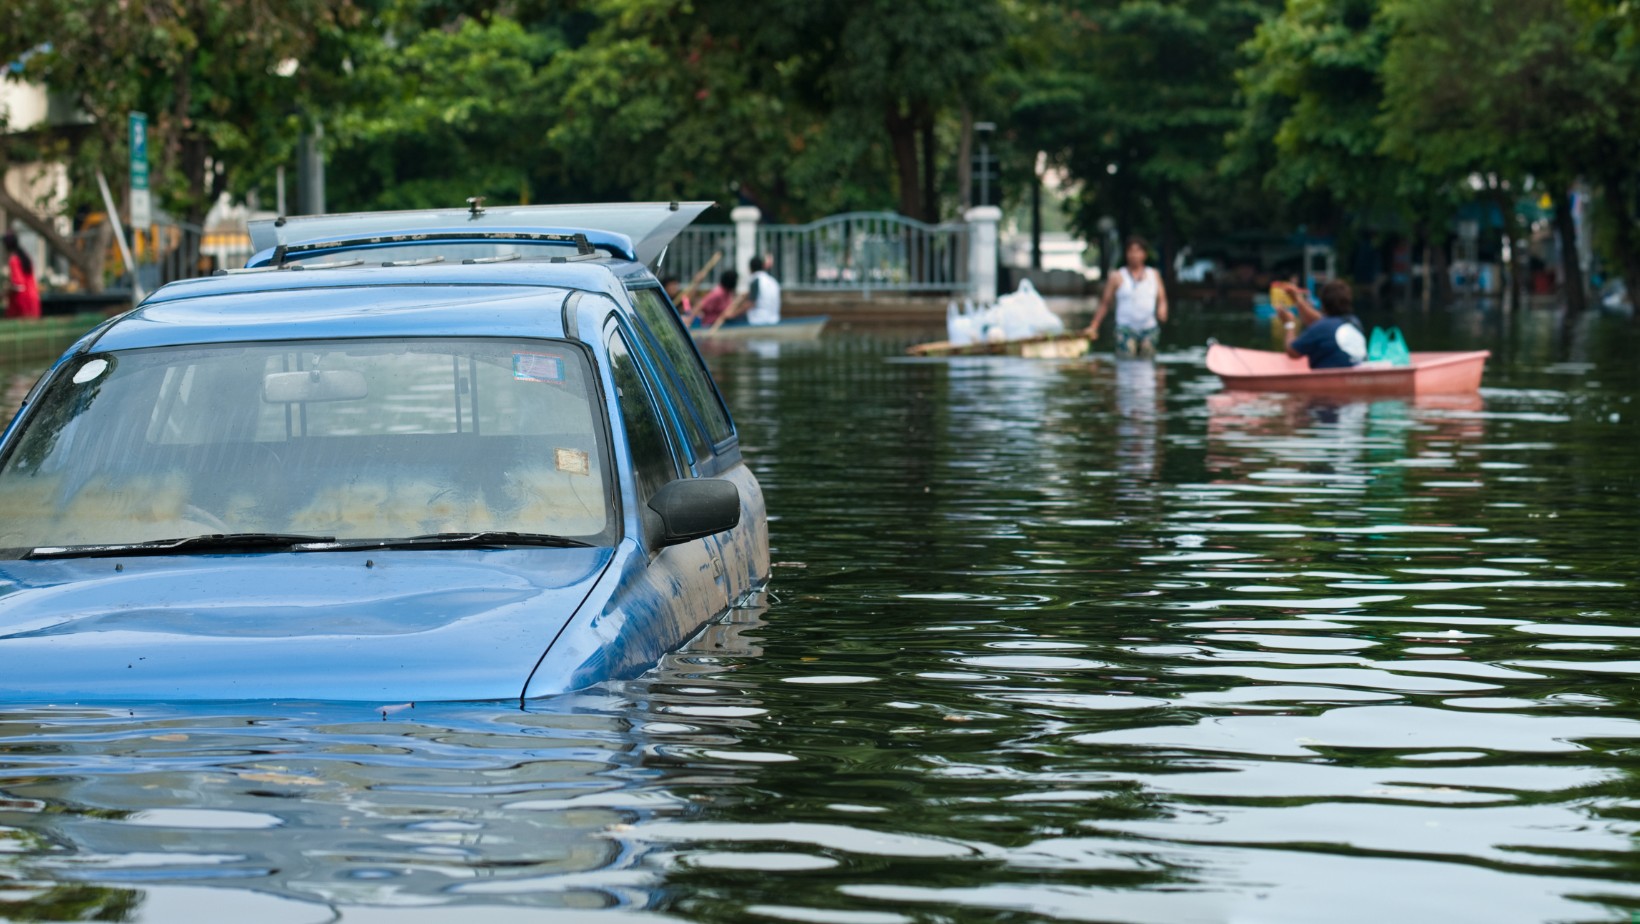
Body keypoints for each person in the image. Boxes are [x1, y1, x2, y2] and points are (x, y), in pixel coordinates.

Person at [1086, 236, 1167, 357]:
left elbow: (1162, 299)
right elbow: (1105, 303)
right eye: (1131, 251)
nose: (1134, 255)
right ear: (1126, 254)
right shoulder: (1117, 276)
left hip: (1149, 327)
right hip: (1125, 328)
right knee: (1126, 358)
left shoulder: (1153, 275)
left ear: (1145, 254)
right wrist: (1094, 326)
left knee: (1148, 358)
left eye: (1138, 251)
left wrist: (1162, 310)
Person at [1275, 278, 1366, 369]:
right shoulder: (1355, 322)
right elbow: (1322, 321)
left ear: (1323, 303)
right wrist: (1297, 299)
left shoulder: (1322, 327)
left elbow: (1292, 352)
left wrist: (1289, 324)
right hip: (1357, 373)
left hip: (1331, 376)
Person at [720, 254, 781, 327]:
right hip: (774, 319)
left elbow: (751, 303)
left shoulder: (755, 280)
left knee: (736, 319)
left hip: (758, 320)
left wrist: (733, 314)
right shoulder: (772, 281)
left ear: (750, 269)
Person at [4, 232, 41, 321]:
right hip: (33, 297)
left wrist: (5, 292)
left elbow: (18, 285)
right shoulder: (25, 257)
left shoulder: (14, 260)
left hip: (22, 302)